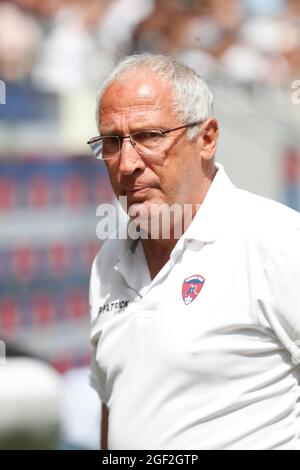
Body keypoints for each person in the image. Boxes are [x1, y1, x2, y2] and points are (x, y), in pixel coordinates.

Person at [88, 53, 300, 450]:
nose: (127, 163)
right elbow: (114, 406)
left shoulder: (276, 242)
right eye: (112, 142)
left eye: (149, 136)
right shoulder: (107, 263)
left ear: (206, 138)